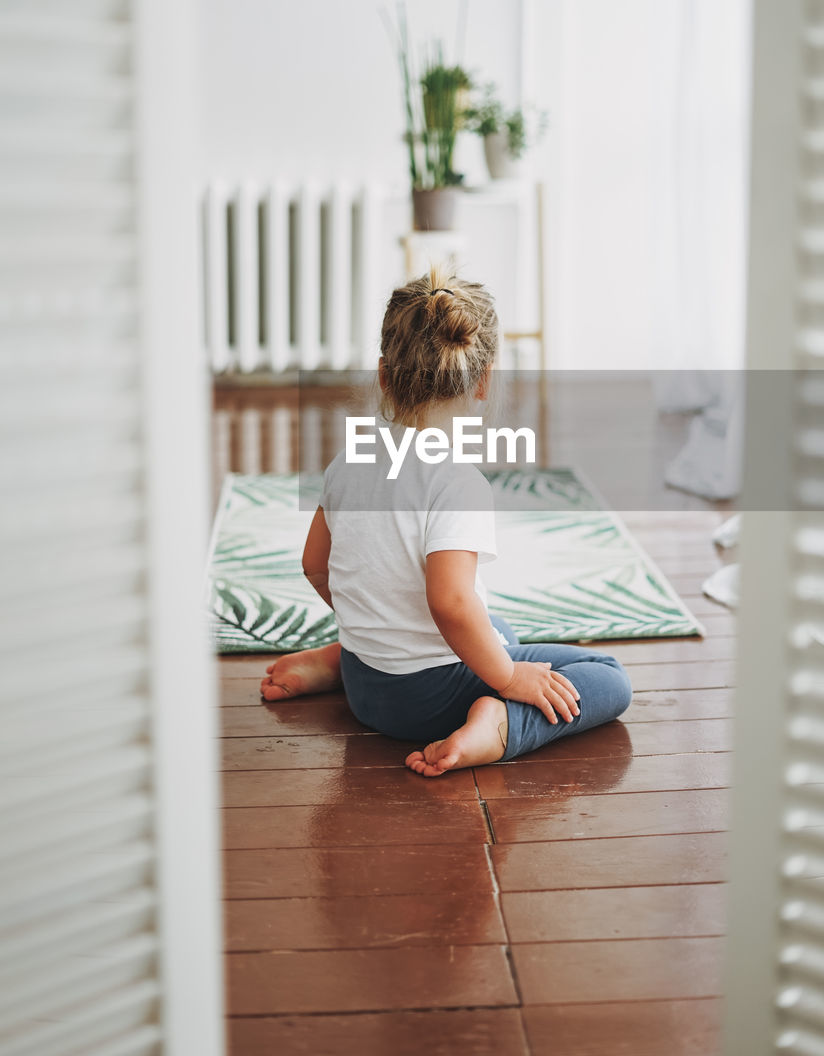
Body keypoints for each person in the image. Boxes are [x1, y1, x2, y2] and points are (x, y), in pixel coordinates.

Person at [260, 266, 633, 777]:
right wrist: (507, 681)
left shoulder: (347, 463)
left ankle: (335, 663)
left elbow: (315, 566)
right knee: (607, 678)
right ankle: (498, 728)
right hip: (426, 702)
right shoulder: (457, 483)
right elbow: (450, 602)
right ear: (484, 380)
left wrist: (374, 627)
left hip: (367, 684)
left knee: (496, 625)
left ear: (384, 375)